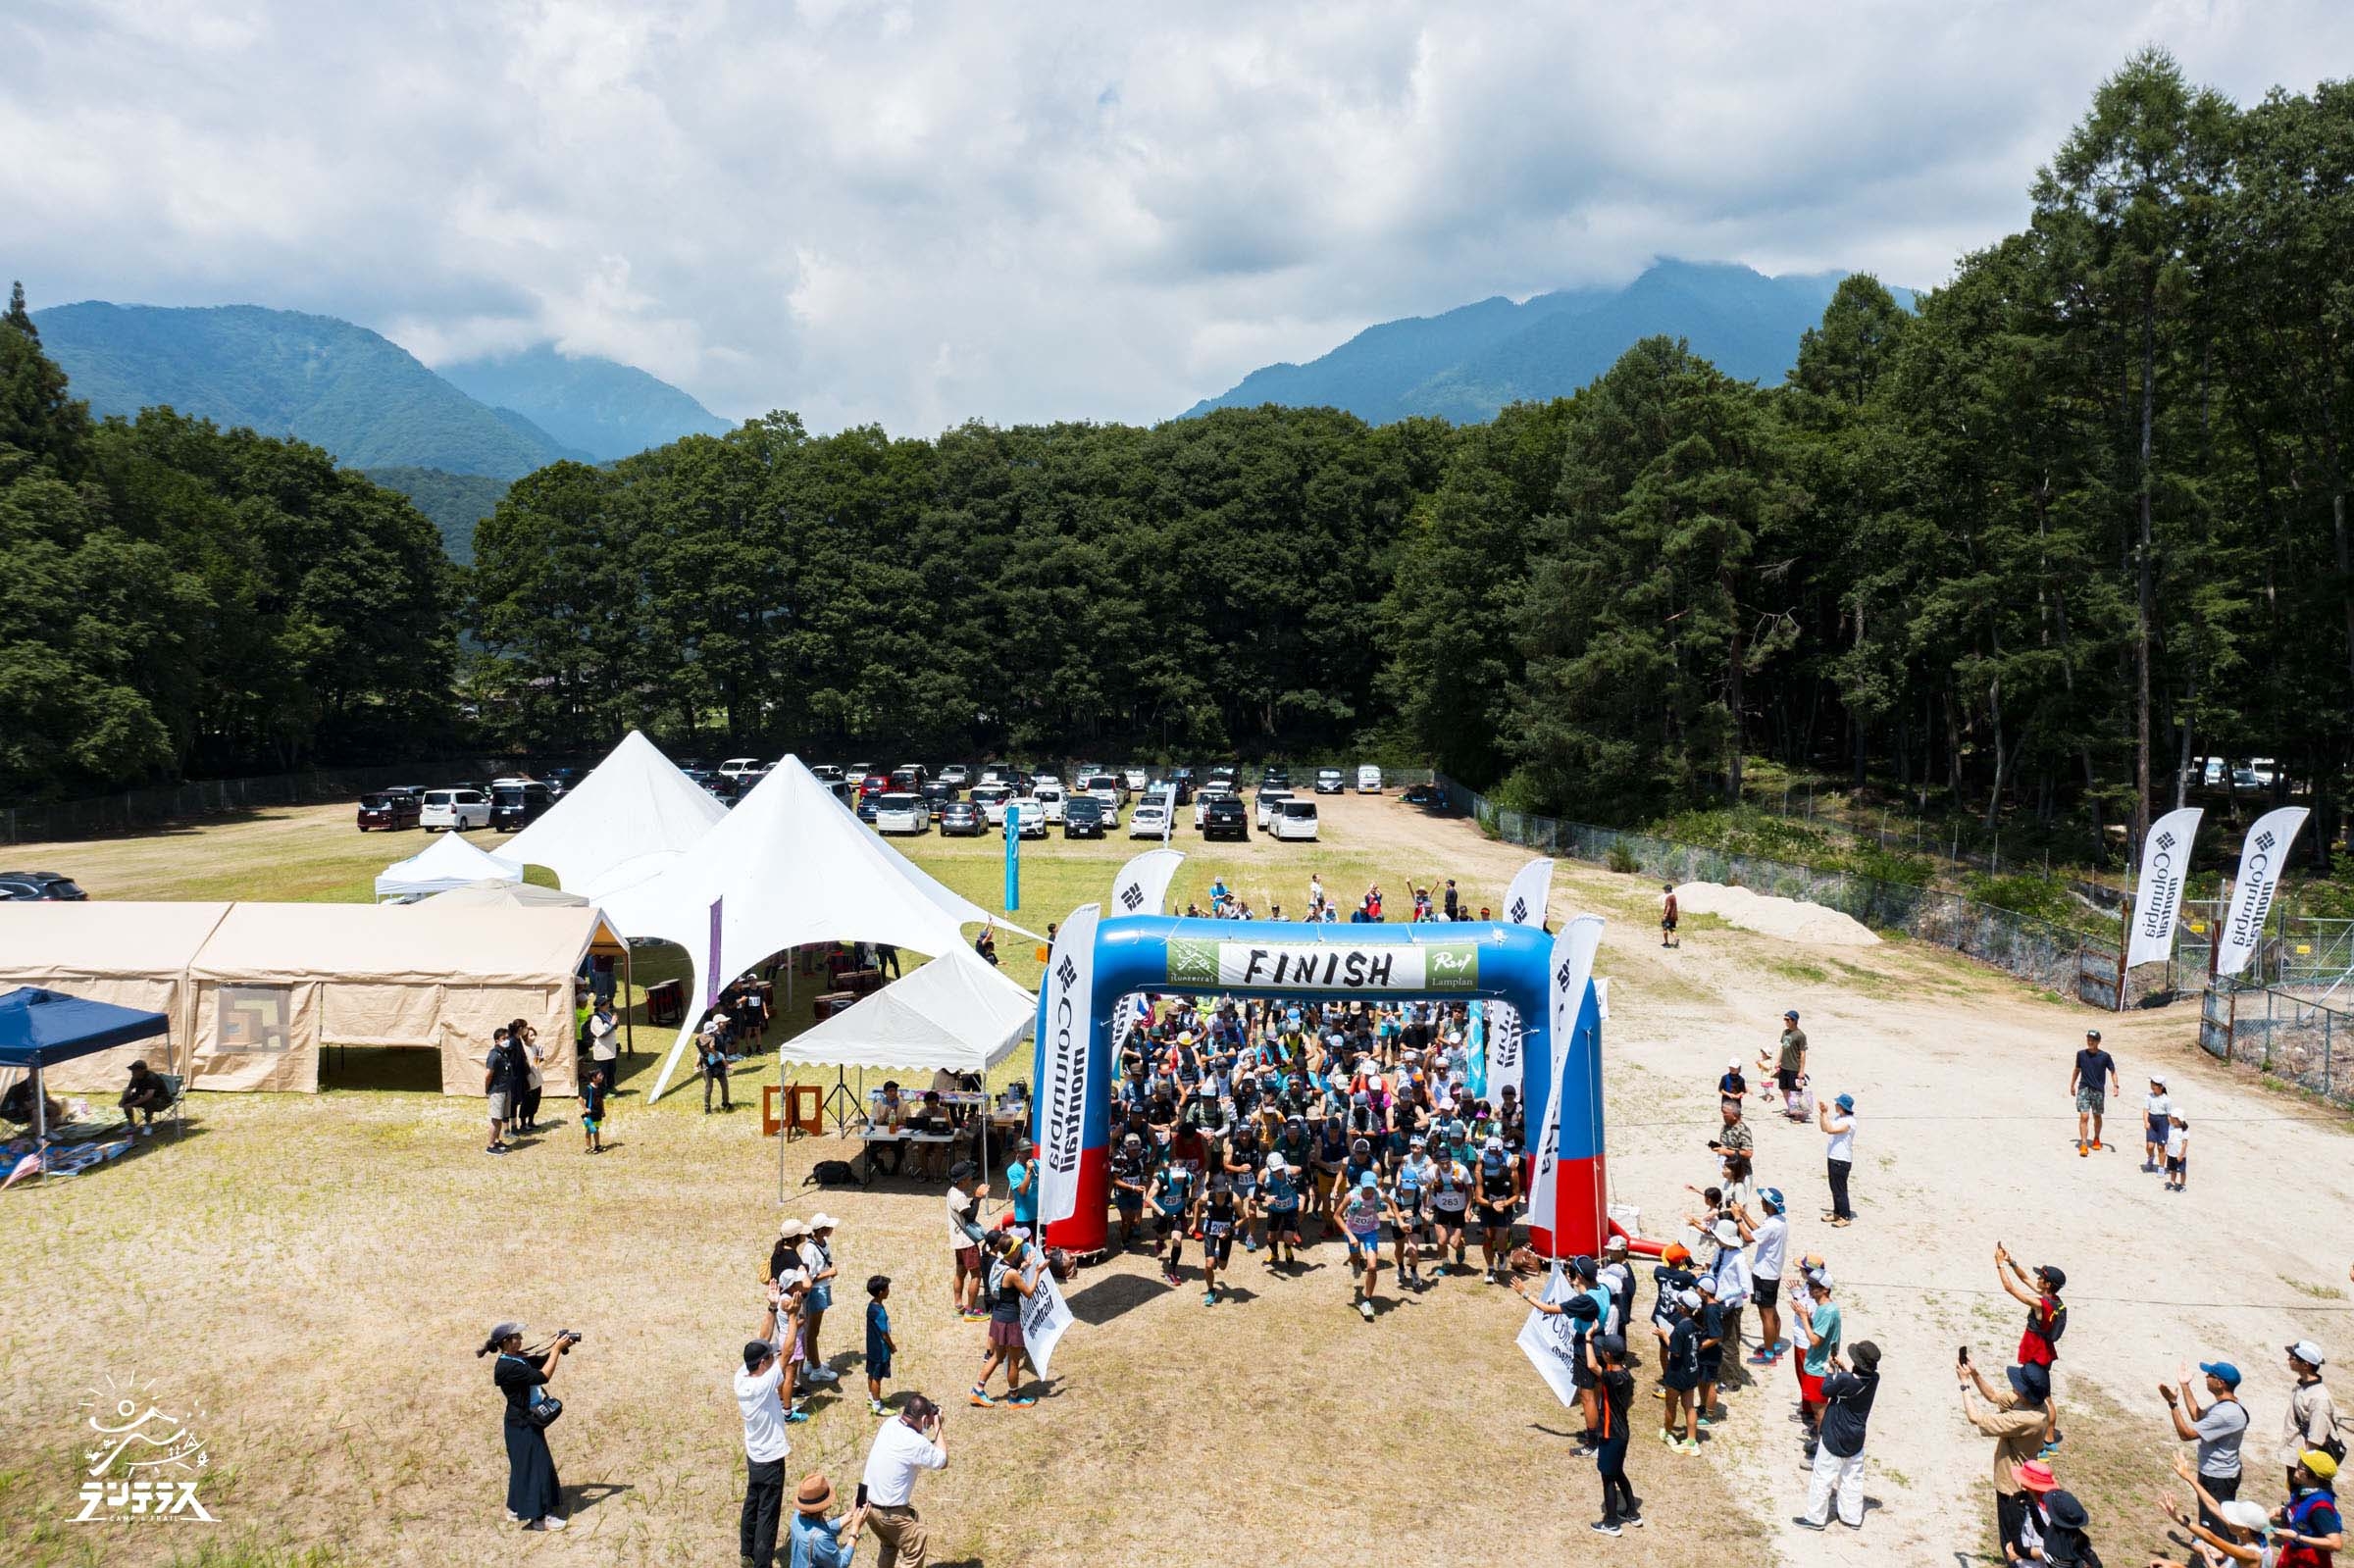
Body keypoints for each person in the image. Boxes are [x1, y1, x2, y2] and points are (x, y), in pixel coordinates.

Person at [480, 1320, 576, 1532]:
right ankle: (541, 1518)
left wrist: (560, 1347)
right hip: (522, 1423)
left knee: (523, 1467)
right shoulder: (507, 1367)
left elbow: (540, 1362)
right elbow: (543, 1376)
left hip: (523, 1422)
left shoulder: (516, 1359)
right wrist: (556, 1351)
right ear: (506, 1342)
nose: (521, 1340)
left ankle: (515, 1508)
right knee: (538, 1468)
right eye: (517, 1337)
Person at [1962, 1351, 2053, 1550]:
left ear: (2026, 1393)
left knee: (2012, 1544)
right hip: (2024, 1480)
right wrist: (1975, 1374)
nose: (2014, 1386)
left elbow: (1974, 1417)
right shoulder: (2035, 1403)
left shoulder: (2027, 1419)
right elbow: (1993, 1396)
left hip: (2012, 1485)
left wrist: (1964, 1384)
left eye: (2018, 1385)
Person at [739, 1283, 798, 1566]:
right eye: (768, 1357)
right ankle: (762, 1562)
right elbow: (786, 1354)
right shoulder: (765, 1383)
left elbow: (761, 1337)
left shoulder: (742, 1376)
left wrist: (773, 1307)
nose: (771, 1356)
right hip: (771, 1458)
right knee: (768, 1512)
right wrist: (795, 1317)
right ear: (762, 1364)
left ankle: (746, 1552)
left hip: (754, 1455)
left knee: (752, 1502)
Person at [1796, 1340, 1880, 1531]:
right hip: (1856, 1436)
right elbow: (1852, 1381)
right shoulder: (1874, 1379)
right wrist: (1842, 1370)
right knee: (1852, 1477)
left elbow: (1827, 1390)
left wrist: (1830, 1371)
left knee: (1823, 1475)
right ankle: (1851, 1517)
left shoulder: (1845, 1380)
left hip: (1835, 1433)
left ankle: (1815, 1518)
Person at [859, 1393, 947, 1568]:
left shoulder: (890, 1423)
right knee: (917, 1542)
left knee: (889, 1545)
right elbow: (942, 1461)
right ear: (924, 1419)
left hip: (866, 1504)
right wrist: (937, 1426)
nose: (928, 1425)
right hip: (889, 1512)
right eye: (927, 1422)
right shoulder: (916, 1442)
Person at [1994, 1243, 2067, 1451]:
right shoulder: (2054, 1300)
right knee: (2047, 1396)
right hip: (2045, 1351)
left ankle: (2041, 1440)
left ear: (2047, 1284)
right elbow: (2025, 1278)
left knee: (2040, 1397)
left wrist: (1999, 1265)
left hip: (2035, 1353)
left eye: (2041, 1277)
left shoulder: (2039, 1304)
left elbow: (2010, 1289)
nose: (2037, 1279)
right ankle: (2050, 1439)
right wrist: (2011, 1262)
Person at [2168, 1358, 2250, 1532]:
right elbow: (2197, 1416)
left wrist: (2173, 1404)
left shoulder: (2225, 1413)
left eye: (2210, 1375)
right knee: (2214, 1521)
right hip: (2219, 1473)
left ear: (2220, 1383)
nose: (2206, 1377)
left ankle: (2221, 1555)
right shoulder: (2227, 1405)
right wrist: (2185, 1386)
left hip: (2217, 1478)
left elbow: (2186, 1434)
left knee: (2218, 1525)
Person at [971, 1230, 1038, 1407]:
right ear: (1014, 1252)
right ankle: (1014, 1398)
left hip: (998, 1317)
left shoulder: (997, 1264)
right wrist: (1037, 1271)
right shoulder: (1012, 1274)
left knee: (997, 1356)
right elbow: (1029, 1293)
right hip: (1010, 1321)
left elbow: (1010, 1276)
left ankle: (978, 1390)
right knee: (1014, 1361)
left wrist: (1025, 1266)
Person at [1589, 1334, 1643, 1535]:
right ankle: (1632, 1512)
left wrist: (1587, 1339)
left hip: (1610, 1434)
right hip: (1622, 1433)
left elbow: (1592, 1365)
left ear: (1608, 1355)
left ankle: (1611, 1522)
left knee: (1608, 1477)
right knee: (1618, 1471)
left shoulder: (1611, 1377)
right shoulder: (1627, 1376)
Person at [1792, 1271, 1843, 1457]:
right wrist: (1806, 1316)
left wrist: (1804, 1318)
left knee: (1820, 1411)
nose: (1811, 1289)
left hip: (1819, 1369)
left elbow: (1815, 1341)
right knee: (1819, 1410)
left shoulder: (1827, 1311)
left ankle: (1822, 1448)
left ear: (1825, 1290)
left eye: (1815, 1287)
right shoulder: (1827, 1309)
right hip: (1819, 1366)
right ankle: (1821, 1442)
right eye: (1811, 1285)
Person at [1742, 1189, 1790, 1365]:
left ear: (1768, 1205)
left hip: (1764, 1275)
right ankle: (1775, 1345)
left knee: (1766, 1315)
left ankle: (1769, 1355)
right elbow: (1759, 1231)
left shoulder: (1772, 1225)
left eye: (1763, 1201)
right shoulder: (1779, 1221)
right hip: (1773, 1273)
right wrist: (1745, 1215)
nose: (1761, 1202)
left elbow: (1748, 1237)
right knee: (1772, 1310)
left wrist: (1738, 1218)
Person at [2282, 1340, 2336, 1492]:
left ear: (2305, 1365)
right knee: (2294, 1491)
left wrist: (2305, 1464)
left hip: (2304, 1458)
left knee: (2303, 1494)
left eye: (2292, 1357)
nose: (2289, 1360)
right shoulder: (2302, 1387)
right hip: (2295, 1451)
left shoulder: (2320, 1397)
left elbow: (2316, 1435)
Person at [2277, 1449, 2345, 1566]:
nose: (2296, 1468)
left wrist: (2297, 1537)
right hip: (2293, 1555)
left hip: (2308, 1561)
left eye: (2300, 1466)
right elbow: (2300, 1512)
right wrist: (2281, 1511)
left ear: (2313, 1475)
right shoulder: (2305, 1491)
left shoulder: (2321, 1508)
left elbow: (2336, 1544)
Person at [787, 1471, 867, 1568]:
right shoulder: (820, 1540)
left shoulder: (797, 1515)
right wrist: (855, 1529)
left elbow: (820, 1529)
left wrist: (851, 1515)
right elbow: (841, 1564)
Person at [1339, 1169, 1385, 1321]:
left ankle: (1367, 1301)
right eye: (1366, 1188)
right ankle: (1355, 1264)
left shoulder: (1378, 1195)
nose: (1368, 1191)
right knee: (1355, 1257)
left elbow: (1392, 1203)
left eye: (1371, 1188)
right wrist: (1350, 1235)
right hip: (1353, 1232)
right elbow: (1336, 1216)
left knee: (1372, 1267)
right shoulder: (1352, 1196)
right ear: (1361, 1186)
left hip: (1370, 1232)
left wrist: (1399, 1220)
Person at [1474, 1135, 1521, 1284]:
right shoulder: (1480, 1166)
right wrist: (1490, 1204)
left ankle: (1501, 1254)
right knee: (1488, 1237)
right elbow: (1478, 1197)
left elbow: (1517, 1195)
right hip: (1488, 1203)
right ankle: (1490, 1269)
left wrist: (1505, 1204)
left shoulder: (1511, 1166)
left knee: (1501, 1235)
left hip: (1504, 1202)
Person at [800, 1216, 842, 1384]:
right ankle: (817, 1370)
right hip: (816, 1292)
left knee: (812, 1329)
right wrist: (828, 1273)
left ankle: (811, 1362)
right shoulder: (810, 1250)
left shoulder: (823, 1243)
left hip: (822, 1289)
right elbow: (808, 1277)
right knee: (812, 1331)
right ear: (823, 1230)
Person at [945, 1164, 986, 1322]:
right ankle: (970, 1310)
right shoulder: (959, 1197)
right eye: (968, 1176)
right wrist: (977, 1197)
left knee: (960, 1273)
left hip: (957, 1241)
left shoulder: (951, 1192)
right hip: (966, 1242)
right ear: (962, 1180)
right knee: (976, 1275)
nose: (970, 1179)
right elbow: (970, 1216)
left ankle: (958, 1305)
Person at [2069, 1028, 2120, 1157]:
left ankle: (2096, 1138)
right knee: (2084, 1116)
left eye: (2093, 1040)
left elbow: (2112, 1071)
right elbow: (2077, 1069)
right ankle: (2084, 1144)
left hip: (2098, 1090)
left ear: (2098, 1041)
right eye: (2088, 1039)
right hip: (2084, 1088)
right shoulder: (2081, 1054)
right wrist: (2072, 1085)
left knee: (2097, 1116)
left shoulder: (2105, 1056)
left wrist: (2115, 1086)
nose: (2090, 1042)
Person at [1149, 1156, 1197, 1287]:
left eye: (1181, 1176)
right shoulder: (1162, 1178)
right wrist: (1164, 1214)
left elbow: (1195, 1184)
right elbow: (1148, 1198)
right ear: (1170, 1171)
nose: (1178, 1179)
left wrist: (1191, 1200)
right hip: (1161, 1211)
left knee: (1177, 1240)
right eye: (1176, 1176)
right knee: (1162, 1233)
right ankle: (1160, 1240)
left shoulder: (1188, 1177)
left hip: (1178, 1211)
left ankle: (1172, 1271)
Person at [1819, 1092, 1857, 1225]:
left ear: (1842, 1106)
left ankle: (1845, 1216)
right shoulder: (1838, 1118)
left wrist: (1824, 1113)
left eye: (1838, 1104)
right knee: (1834, 1187)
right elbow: (1824, 1128)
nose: (1835, 1105)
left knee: (1840, 1188)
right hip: (1833, 1156)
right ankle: (1837, 1213)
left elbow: (1830, 1130)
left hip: (1842, 1159)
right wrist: (1822, 1114)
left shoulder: (1850, 1122)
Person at [866, 1275, 896, 1416]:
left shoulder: (872, 1305)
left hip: (871, 1347)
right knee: (877, 1377)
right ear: (880, 1293)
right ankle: (877, 1406)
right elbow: (884, 1333)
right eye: (887, 1289)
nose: (888, 1291)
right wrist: (892, 1346)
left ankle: (872, 1397)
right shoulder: (879, 1312)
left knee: (871, 1373)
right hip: (880, 1350)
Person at [484, 1028, 516, 1155]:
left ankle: (497, 1141)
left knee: (502, 1117)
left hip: (506, 1089)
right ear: (497, 1041)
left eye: (507, 1038)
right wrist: (487, 1089)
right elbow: (488, 1074)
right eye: (504, 1039)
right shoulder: (494, 1055)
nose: (507, 1041)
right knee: (496, 1118)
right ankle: (491, 1146)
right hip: (497, 1090)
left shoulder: (504, 1053)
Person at [120, 1060, 172, 1133]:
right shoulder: (135, 1077)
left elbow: (149, 1095)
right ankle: (131, 1124)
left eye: (135, 1070)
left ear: (143, 1070)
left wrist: (132, 1104)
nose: (132, 1072)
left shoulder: (151, 1077)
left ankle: (148, 1125)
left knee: (148, 1101)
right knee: (126, 1100)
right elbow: (128, 1090)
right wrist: (122, 1100)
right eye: (132, 1070)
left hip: (161, 1100)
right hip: (144, 1097)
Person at [1776, 1010, 1809, 1120]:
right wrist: (1778, 1061)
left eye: (1787, 1019)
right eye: (1785, 1019)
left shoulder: (1800, 1035)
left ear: (1794, 1021)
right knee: (1784, 1088)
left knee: (1795, 1092)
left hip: (1794, 1067)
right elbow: (1783, 1047)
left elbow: (1803, 1053)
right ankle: (1791, 1109)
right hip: (1784, 1066)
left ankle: (1799, 1114)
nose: (1785, 1021)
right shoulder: (1785, 1032)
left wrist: (1801, 1070)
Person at [1004, 1138, 1038, 1235]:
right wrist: (1028, 1171)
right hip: (1024, 1216)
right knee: (1024, 1246)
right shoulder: (1013, 1170)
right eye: (1025, 1151)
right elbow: (1022, 1191)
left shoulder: (1038, 1164)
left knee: (1041, 1245)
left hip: (1039, 1215)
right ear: (1017, 1152)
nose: (1029, 1154)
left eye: (1030, 1150)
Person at [701, 1018, 734, 1113]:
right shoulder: (708, 1037)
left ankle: (725, 1103)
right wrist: (715, 1054)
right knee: (709, 1087)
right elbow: (702, 1052)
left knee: (724, 1085)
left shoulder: (720, 1035)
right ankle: (707, 1108)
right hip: (708, 1065)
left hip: (718, 1064)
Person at [2143, 1073, 2173, 1173]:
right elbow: (2146, 1110)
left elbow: (2169, 1115)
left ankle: (2161, 1167)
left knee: (2161, 1146)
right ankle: (2150, 1158)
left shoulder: (2167, 1100)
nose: (2152, 1085)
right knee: (2150, 1145)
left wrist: (2171, 1128)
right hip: (2152, 1120)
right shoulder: (2149, 1097)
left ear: (2161, 1087)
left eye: (2154, 1084)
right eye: (2151, 1083)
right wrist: (2146, 1122)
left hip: (2163, 1122)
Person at [588, 997, 620, 1088]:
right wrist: (612, 1024)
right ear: (600, 1007)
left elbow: (614, 1027)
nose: (608, 1005)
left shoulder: (607, 1014)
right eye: (605, 1004)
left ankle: (611, 1087)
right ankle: (602, 1090)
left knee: (612, 1070)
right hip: (602, 1049)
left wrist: (615, 1021)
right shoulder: (596, 1018)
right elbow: (602, 1034)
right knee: (602, 1072)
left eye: (608, 1003)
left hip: (610, 1048)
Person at [580, 1067, 609, 1155]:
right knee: (589, 1130)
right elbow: (580, 1099)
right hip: (590, 1115)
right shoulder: (588, 1088)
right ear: (593, 1078)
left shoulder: (600, 1087)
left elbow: (601, 1100)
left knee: (596, 1129)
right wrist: (585, 1109)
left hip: (598, 1113)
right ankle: (588, 1147)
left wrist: (603, 1110)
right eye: (600, 1075)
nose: (602, 1077)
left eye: (602, 1075)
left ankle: (597, 1145)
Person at [2167, 1113, 2191, 1191]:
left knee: (2182, 1171)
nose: (2171, 1120)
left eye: (2174, 1119)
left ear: (2179, 1120)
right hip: (2171, 1153)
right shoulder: (2171, 1127)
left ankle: (2183, 1185)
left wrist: (2181, 1154)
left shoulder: (2184, 1131)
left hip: (2179, 1155)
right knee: (2173, 1169)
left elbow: (2184, 1144)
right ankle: (2172, 1182)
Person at [1661, 883, 1679, 948]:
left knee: (1665, 928)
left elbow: (1668, 907)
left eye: (1665, 889)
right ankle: (1676, 938)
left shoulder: (1668, 898)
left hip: (1668, 916)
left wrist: (1665, 915)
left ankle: (1666, 943)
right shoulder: (1674, 896)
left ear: (1667, 890)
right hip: (1673, 916)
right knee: (1671, 928)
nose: (1664, 891)